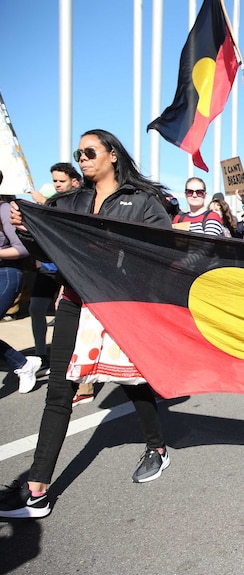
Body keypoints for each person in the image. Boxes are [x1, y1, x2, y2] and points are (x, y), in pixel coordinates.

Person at [0, 129, 175, 519]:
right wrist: (29, 229)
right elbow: (45, 252)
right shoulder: (71, 201)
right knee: (58, 393)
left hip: (119, 306)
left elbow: (165, 252)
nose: (82, 158)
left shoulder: (141, 201)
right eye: (78, 153)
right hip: (74, 302)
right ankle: (37, 491)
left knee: (132, 383)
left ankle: (157, 447)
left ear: (112, 155)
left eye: (90, 151)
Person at [30, 163, 82, 383]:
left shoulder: (80, 203)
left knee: (65, 316)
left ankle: (73, 365)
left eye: (62, 181)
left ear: (74, 181)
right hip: (47, 269)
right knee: (35, 309)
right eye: (55, 181)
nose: (58, 185)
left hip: (67, 272)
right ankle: (41, 355)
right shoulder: (51, 200)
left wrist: (44, 205)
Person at [0, 171, 42, 393]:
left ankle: (23, 365)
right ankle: (23, 363)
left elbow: (23, 248)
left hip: (6, 275)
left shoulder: (4, 209)